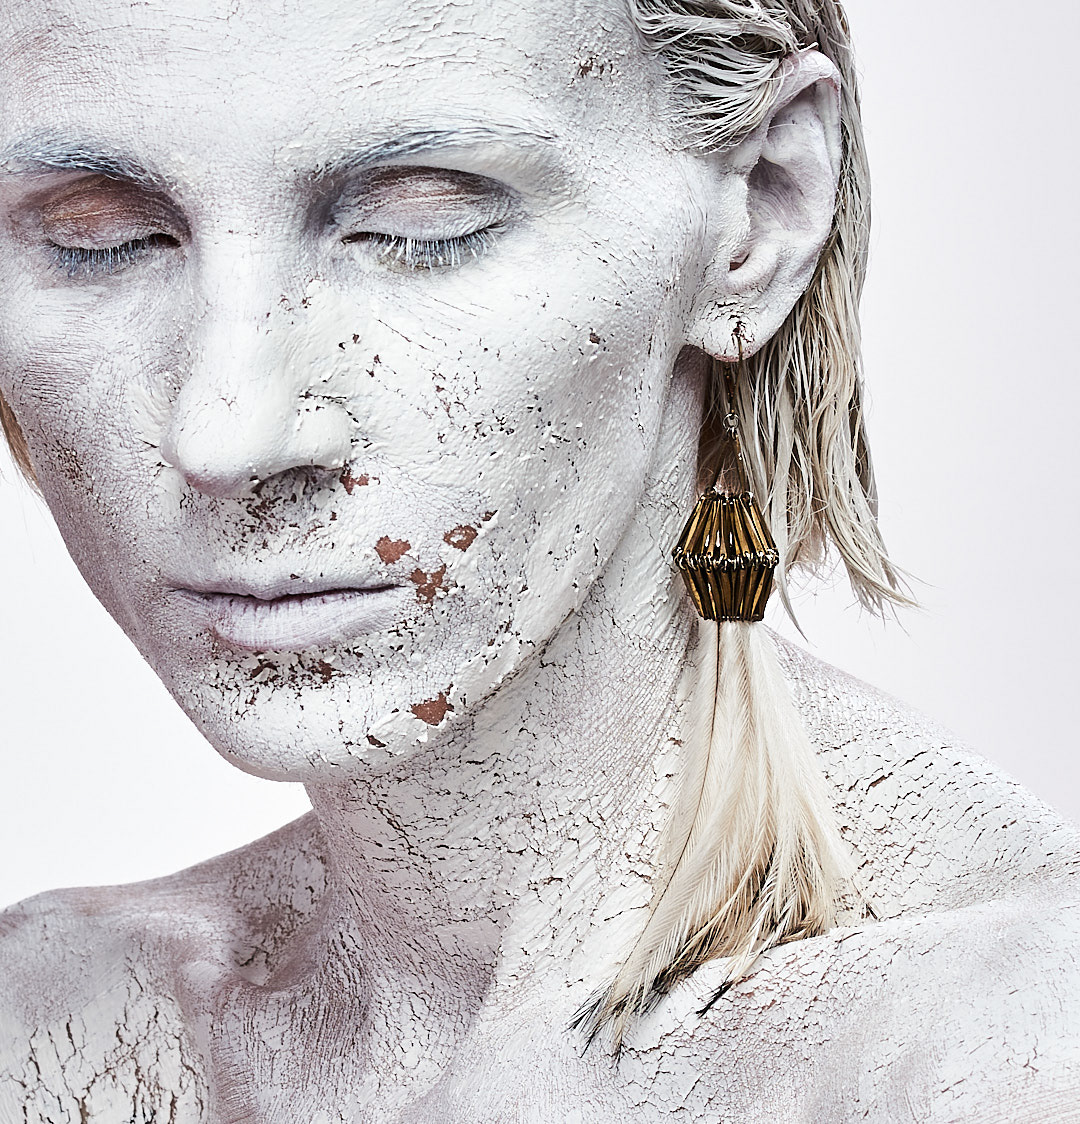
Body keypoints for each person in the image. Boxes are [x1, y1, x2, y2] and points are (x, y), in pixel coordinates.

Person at [1, 0, 1077, 1119]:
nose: (226, 435)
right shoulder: (47, 1032)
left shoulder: (1009, 1056)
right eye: (96, 236)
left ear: (762, 209)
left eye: (422, 220)